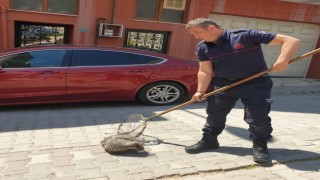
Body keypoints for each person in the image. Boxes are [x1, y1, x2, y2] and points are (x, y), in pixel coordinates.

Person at [185, 17, 300, 164]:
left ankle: (260, 146)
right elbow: (205, 71)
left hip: (255, 83)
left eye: (197, 32)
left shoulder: (246, 35)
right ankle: (209, 141)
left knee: (258, 117)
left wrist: (283, 60)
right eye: (193, 34)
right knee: (214, 114)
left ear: (211, 28)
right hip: (223, 84)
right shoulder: (203, 47)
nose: (196, 37)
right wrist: (200, 91)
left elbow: (291, 41)